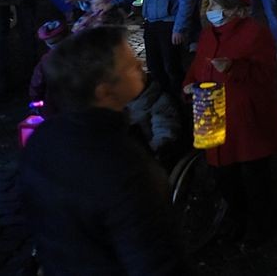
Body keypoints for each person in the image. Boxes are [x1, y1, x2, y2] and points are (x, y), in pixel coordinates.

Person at [19, 25, 189, 274]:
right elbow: (154, 259)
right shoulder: (122, 164)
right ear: (105, 91)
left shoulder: (42, 140)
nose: (141, 66)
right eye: (130, 66)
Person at [184, 0, 277, 246]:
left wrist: (234, 68)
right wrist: (189, 84)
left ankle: (259, 224)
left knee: (253, 176)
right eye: (211, 3)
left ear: (237, 10)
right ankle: (234, 218)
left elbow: (266, 73)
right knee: (222, 174)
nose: (213, 10)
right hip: (209, 108)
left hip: (243, 115)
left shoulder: (255, 33)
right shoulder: (207, 34)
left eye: (219, 5)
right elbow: (197, 65)